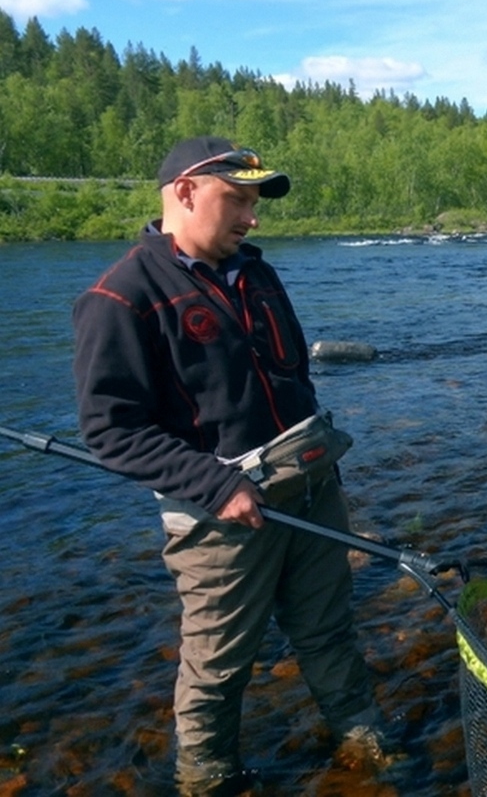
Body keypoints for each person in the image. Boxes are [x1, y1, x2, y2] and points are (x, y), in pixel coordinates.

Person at [72, 136, 383, 794]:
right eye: (236, 200)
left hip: (310, 491)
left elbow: (293, 377)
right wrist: (216, 485)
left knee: (331, 633)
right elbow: (110, 430)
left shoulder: (259, 274)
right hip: (221, 519)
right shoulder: (119, 298)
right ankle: (206, 780)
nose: (252, 217)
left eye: (253, 202)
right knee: (217, 669)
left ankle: (367, 748)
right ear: (183, 191)